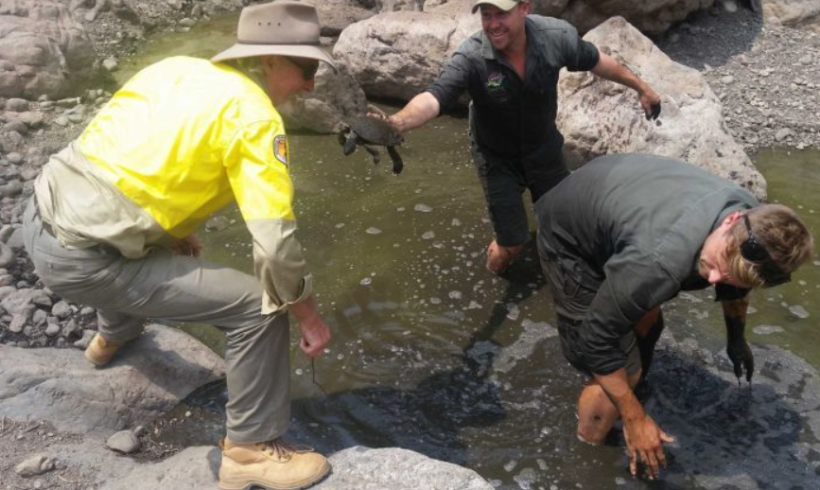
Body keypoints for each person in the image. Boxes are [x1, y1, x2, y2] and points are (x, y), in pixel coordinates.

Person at [22, 2, 337, 489]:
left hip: (38, 215)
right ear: (271, 61)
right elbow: (275, 249)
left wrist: (172, 230)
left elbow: (123, 161)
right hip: (82, 262)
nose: (311, 84)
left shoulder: (175, 69)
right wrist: (309, 316)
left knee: (150, 239)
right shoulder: (256, 119)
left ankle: (113, 338)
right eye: (308, 68)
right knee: (261, 306)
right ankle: (250, 453)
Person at [535, 153, 814, 479]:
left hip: (623, 201)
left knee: (650, 324)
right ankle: (586, 453)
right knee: (621, 367)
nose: (712, 280)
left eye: (727, 279)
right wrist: (635, 418)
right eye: (720, 263)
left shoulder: (755, 218)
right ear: (730, 223)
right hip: (569, 231)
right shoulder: (659, 260)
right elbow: (596, 339)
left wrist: (736, 338)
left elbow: (737, 283)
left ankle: (628, 389)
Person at [385, 0, 662, 274]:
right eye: (486, 15)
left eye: (501, 14)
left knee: (567, 223)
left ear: (524, 8)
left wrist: (642, 88)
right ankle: (494, 279)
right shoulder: (472, 57)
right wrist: (396, 123)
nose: (493, 24)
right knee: (512, 246)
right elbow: (435, 97)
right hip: (496, 157)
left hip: (544, 148)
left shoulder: (556, 37)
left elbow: (597, 61)